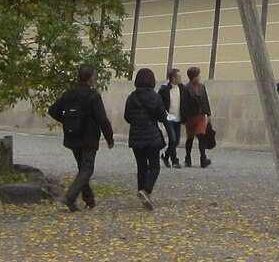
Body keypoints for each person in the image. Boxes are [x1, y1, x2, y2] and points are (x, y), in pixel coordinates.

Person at [47, 65, 115, 212]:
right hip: (89, 138)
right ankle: (70, 197)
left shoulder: (69, 94)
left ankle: (89, 199)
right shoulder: (93, 96)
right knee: (87, 169)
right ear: (91, 79)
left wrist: (66, 120)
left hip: (72, 136)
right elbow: (102, 118)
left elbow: (52, 110)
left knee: (82, 168)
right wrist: (110, 138)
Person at [122, 69, 167, 210]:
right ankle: (146, 190)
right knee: (154, 166)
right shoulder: (155, 97)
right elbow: (161, 116)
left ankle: (143, 194)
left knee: (141, 166)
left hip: (136, 136)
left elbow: (127, 117)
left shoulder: (132, 97)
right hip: (151, 135)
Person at [181, 66, 213, 168]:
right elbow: (184, 103)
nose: (199, 77)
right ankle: (188, 158)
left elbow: (205, 100)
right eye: (198, 75)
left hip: (201, 115)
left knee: (201, 136)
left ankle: (203, 158)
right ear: (194, 77)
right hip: (191, 116)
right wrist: (184, 118)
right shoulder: (186, 88)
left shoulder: (202, 86)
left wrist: (208, 113)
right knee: (190, 138)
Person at [158, 68, 185, 166]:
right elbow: (159, 102)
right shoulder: (164, 89)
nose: (180, 78)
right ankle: (175, 160)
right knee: (172, 138)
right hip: (168, 117)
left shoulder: (182, 88)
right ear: (173, 78)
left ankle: (166, 156)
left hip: (178, 117)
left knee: (176, 140)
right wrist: (163, 114)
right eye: (179, 76)